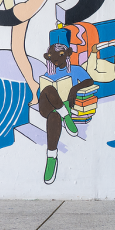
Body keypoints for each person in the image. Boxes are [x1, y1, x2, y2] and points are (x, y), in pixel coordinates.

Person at [38, 43, 94, 184]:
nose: (56, 60)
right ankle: (67, 117)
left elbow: (89, 80)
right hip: (47, 105)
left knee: (54, 117)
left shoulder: (75, 70)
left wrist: (74, 89)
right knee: (49, 89)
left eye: (60, 56)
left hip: (62, 106)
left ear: (67, 54)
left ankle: (51, 157)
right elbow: (43, 91)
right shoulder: (48, 73)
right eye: (52, 57)